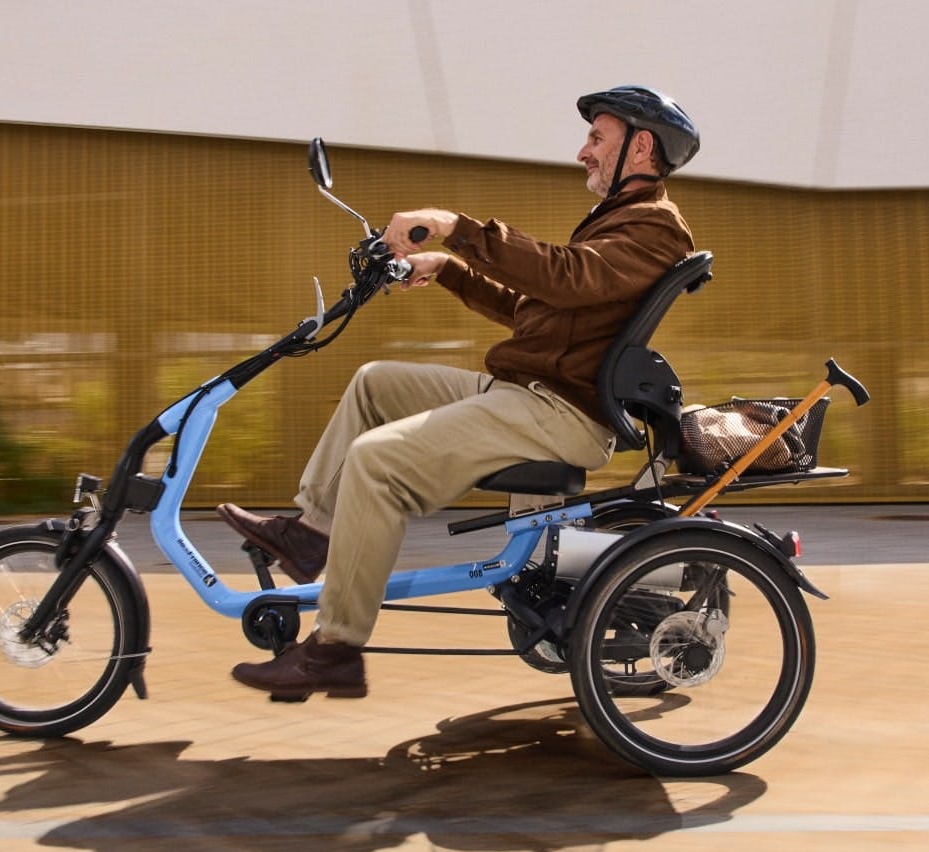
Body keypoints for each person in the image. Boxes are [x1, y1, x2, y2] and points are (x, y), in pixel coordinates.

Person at [218, 84, 699, 700]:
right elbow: (536, 310)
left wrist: (455, 228)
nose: (583, 151)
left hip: (559, 413)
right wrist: (447, 269)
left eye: (597, 138)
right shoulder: (620, 224)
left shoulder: (654, 229)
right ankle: (314, 536)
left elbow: (563, 276)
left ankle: (335, 648)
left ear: (642, 148)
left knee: (377, 462)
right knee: (376, 384)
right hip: (527, 390)